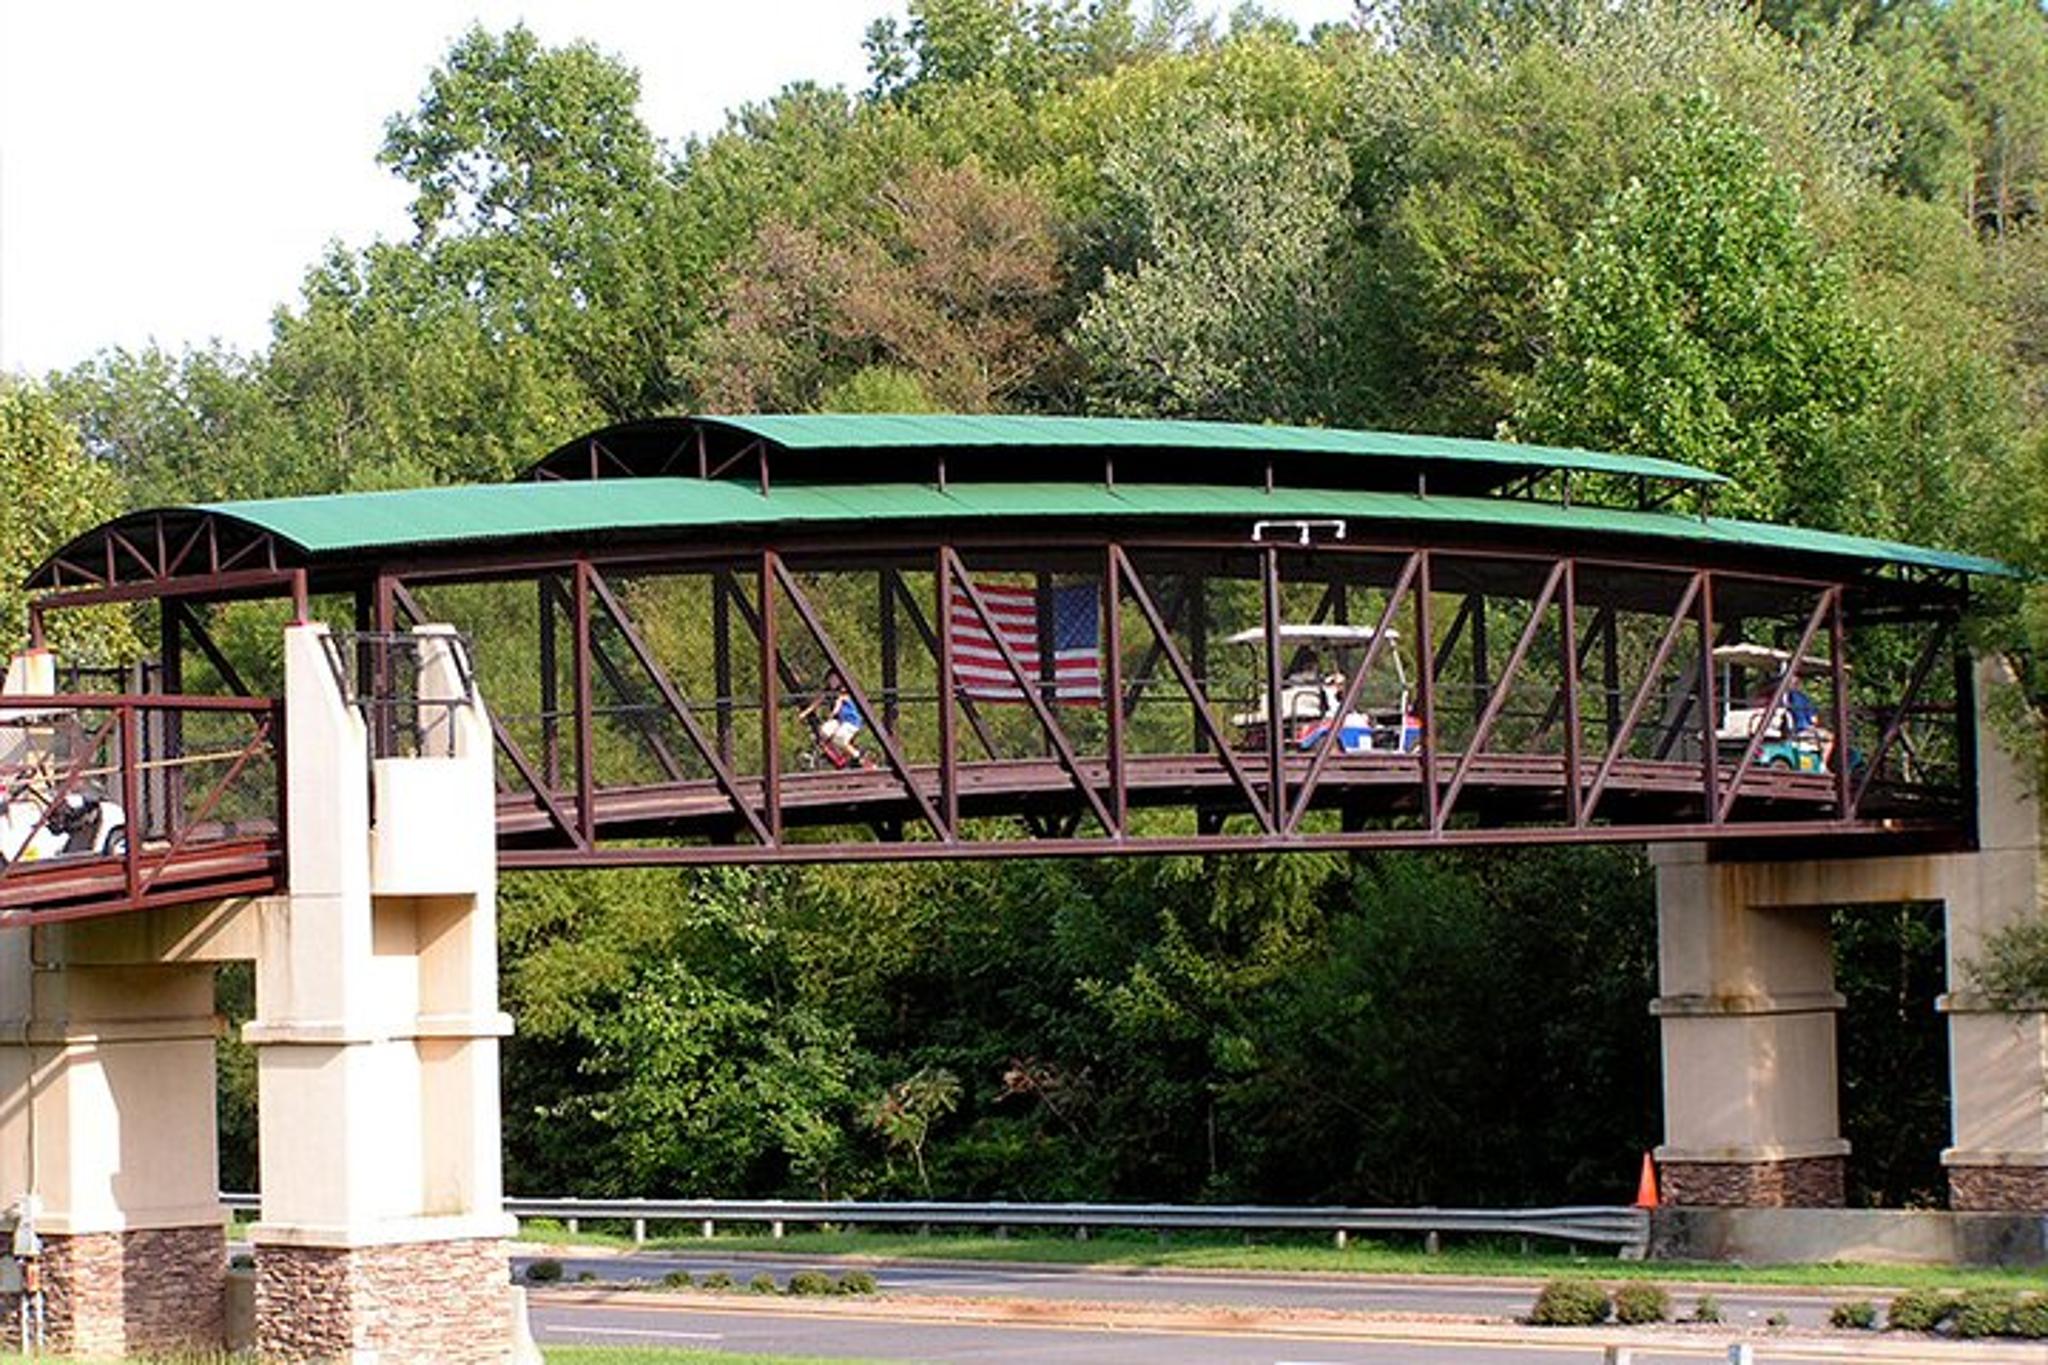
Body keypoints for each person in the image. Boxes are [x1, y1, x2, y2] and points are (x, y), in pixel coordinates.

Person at [800, 672, 871, 769]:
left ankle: (857, 756)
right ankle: (837, 757)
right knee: (823, 731)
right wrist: (805, 713)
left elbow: (838, 704)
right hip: (839, 720)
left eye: (835, 679)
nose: (833, 681)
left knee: (839, 739)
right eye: (831, 679)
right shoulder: (827, 692)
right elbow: (816, 703)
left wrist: (831, 714)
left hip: (851, 720)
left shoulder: (844, 690)